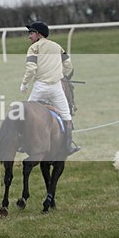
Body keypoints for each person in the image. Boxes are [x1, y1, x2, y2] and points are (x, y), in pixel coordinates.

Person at [20, 21, 80, 156]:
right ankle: (68, 146)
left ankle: (23, 144)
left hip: (40, 87)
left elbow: (31, 69)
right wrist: (61, 74)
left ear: (39, 34)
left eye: (31, 33)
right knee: (67, 117)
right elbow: (68, 64)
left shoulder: (33, 48)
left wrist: (24, 83)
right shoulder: (57, 46)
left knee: (25, 114)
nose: (29, 36)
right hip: (56, 88)